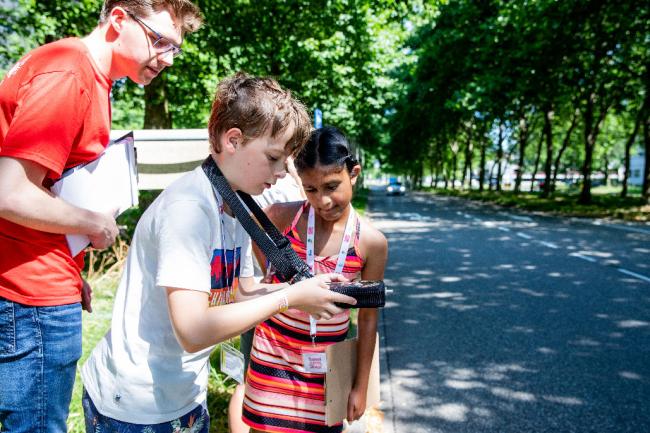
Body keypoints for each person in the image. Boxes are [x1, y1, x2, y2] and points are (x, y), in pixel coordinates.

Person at [80, 73, 356, 432]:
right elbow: (193, 329)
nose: (280, 174)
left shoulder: (233, 203)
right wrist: (290, 297)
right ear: (233, 140)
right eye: (273, 158)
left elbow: (240, 291)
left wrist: (310, 291)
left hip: (182, 394)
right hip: (136, 405)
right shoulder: (189, 210)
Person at [0, 1, 202, 431]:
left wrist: (72, 273)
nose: (167, 57)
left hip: (39, 281)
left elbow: (43, 189)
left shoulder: (87, 76)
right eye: (160, 40)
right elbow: (8, 192)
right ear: (117, 20)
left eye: (175, 48)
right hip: (29, 296)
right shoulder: (70, 73)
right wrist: (93, 223)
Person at [242, 126, 388, 433]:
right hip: (274, 357)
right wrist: (275, 272)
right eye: (310, 189)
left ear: (354, 174)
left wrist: (360, 386)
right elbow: (255, 234)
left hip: (327, 370)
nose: (322, 201)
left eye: (332, 186)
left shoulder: (370, 244)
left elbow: (368, 319)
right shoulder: (283, 217)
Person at [228, 157, 305, 433]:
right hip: (264, 295)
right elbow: (253, 228)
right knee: (250, 381)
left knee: (253, 380)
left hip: (264, 292)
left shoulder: (269, 179)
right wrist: (271, 271)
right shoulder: (276, 185)